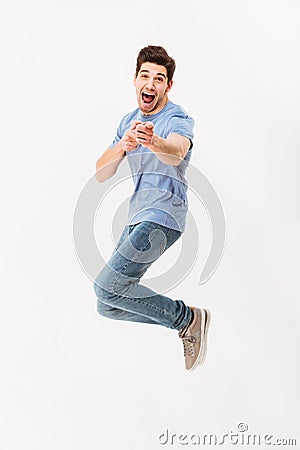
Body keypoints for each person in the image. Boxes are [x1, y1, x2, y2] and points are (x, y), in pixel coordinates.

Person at [93, 45, 210, 371]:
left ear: (167, 86)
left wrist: (152, 141)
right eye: (145, 75)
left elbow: (176, 151)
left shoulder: (177, 118)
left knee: (106, 286)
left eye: (159, 78)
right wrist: (123, 145)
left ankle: (186, 319)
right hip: (136, 217)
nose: (151, 83)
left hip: (163, 215)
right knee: (108, 304)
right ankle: (185, 321)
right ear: (135, 80)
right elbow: (101, 173)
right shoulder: (127, 122)